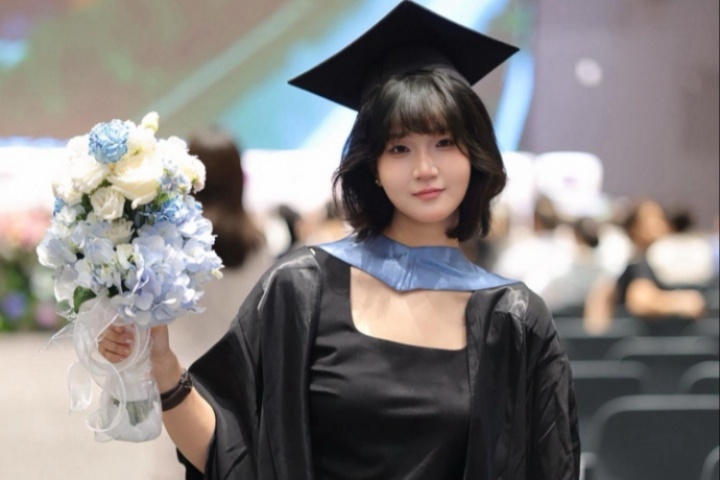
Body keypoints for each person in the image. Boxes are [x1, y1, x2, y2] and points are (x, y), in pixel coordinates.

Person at [99, 2, 580, 479]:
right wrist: (163, 367)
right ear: (373, 166)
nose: (425, 168)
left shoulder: (516, 321)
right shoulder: (303, 290)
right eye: (400, 147)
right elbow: (229, 456)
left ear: (474, 154)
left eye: (445, 142)